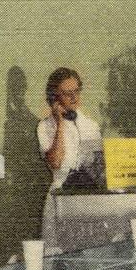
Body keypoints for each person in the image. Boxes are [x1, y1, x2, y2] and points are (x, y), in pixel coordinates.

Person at [36, 67, 102, 251]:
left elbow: (97, 167)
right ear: (55, 98)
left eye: (77, 91)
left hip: (86, 198)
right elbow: (55, 162)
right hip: (60, 196)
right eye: (67, 93)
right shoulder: (44, 126)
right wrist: (59, 125)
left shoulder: (91, 125)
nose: (74, 98)